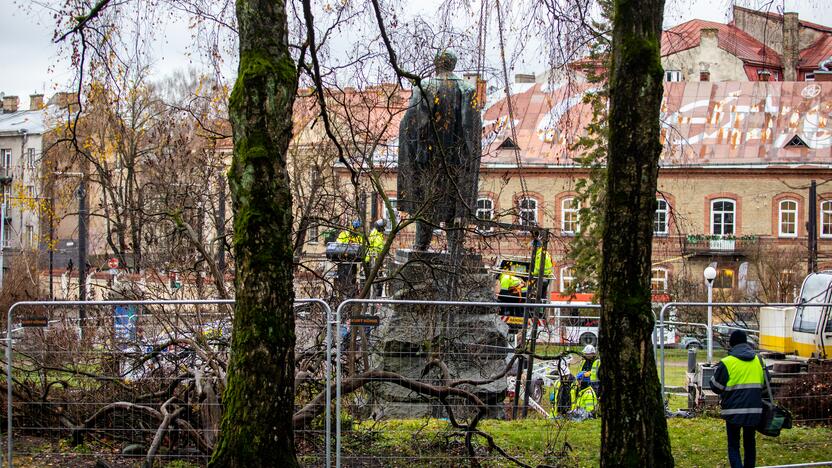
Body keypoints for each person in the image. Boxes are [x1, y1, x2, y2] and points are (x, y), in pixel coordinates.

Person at [710, 330, 768, 468]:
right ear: (746, 342)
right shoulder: (759, 360)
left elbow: (715, 387)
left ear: (731, 344)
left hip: (732, 412)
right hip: (754, 410)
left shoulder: (727, 362)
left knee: (733, 445)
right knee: (750, 443)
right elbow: (766, 386)